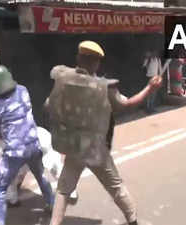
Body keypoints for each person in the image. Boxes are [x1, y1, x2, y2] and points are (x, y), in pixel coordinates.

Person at [45, 41, 162, 225]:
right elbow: (127, 104)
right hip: (96, 150)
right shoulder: (104, 87)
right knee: (116, 186)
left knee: (63, 190)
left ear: (78, 58)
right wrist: (150, 88)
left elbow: (48, 105)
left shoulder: (62, 78)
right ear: (97, 63)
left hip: (73, 146)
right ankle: (132, 221)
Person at [0, 65, 54, 225]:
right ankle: (51, 203)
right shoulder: (23, 90)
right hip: (33, 144)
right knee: (40, 174)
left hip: (15, 152)